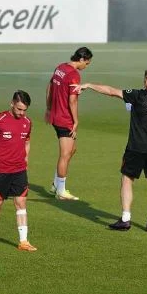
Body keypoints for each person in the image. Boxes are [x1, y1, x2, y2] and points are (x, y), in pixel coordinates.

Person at [75, 67, 147, 233]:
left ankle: (126, 218)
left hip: (136, 146)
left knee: (127, 179)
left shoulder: (139, 95)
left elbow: (112, 91)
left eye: (145, 80)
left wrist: (89, 85)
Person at [0, 90, 37, 252]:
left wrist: (25, 158)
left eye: (24, 110)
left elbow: (27, 141)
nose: (22, 113)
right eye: (19, 109)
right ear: (11, 103)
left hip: (19, 169)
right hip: (1, 170)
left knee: (20, 203)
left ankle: (24, 241)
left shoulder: (27, 122)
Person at [45, 46, 93, 200]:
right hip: (64, 118)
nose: (87, 65)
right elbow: (72, 100)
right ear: (81, 59)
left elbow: (49, 86)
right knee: (65, 154)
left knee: (72, 150)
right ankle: (61, 190)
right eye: (87, 62)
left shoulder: (60, 67)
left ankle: (55, 183)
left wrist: (48, 108)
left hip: (55, 115)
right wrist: (76, 121)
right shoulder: (74, 75)